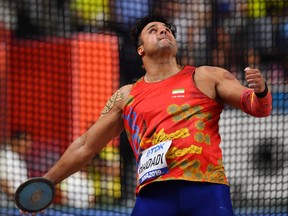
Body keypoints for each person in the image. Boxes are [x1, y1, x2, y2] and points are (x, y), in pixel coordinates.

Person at [19, 13, 272, 216]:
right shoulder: (126, 95)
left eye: (167, 29)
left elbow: (258, 107)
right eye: (153, 29)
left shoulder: (206, 76)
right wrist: (47, 181)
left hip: (206, 190)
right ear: (141, 50)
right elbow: (86, 145)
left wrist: (260, 91)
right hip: (154, 196)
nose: (163, 31)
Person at [0, 131, 32, 208]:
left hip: (18, 206)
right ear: (15, 141)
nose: (28, 144)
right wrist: (24, 199)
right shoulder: (4, 156)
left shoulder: (19, 158)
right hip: (6, 208)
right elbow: (4, 184)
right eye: (25, 140)